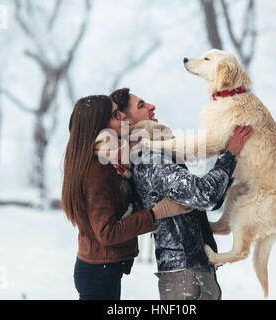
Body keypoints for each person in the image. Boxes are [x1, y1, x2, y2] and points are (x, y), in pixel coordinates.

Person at [110, 88, 253, 300]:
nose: (151, 106)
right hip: (184, 275)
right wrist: (229, 155)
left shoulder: (159, 153)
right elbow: (205, 195)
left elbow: (205, 200)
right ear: (127, 122)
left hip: (195, 270)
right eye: (141, 105)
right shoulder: (147, 158)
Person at [61, 95, 191, 300]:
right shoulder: (98, 171)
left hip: (102, 270)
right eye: (115, 114)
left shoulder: (108, 161)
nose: (122, 115)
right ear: (99, 127)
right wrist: (156, 213)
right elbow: (107, 232)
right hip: (98, 275)